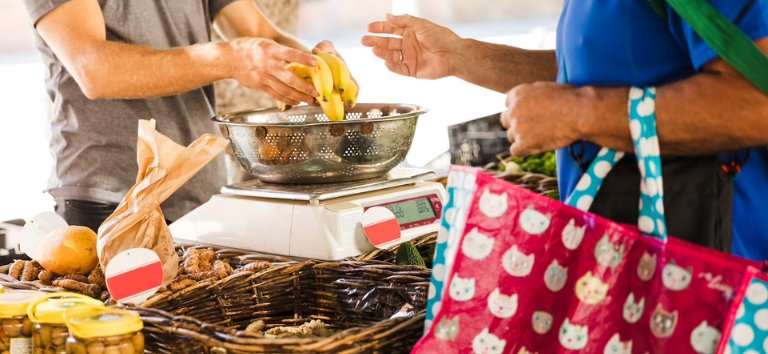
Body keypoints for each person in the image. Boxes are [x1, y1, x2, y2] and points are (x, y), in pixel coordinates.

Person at [363, 2, 768, 260]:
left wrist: (580, 113)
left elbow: (757, 103)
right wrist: (460, 56)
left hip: (710, 265)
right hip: (629, 256)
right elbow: (597, 69)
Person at [22, 0, 346, 231]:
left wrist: (314, 65)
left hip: (200, 195)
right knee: (125, 327)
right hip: (110, 201)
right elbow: (94, 68)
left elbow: (261, 32)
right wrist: (228, 59)